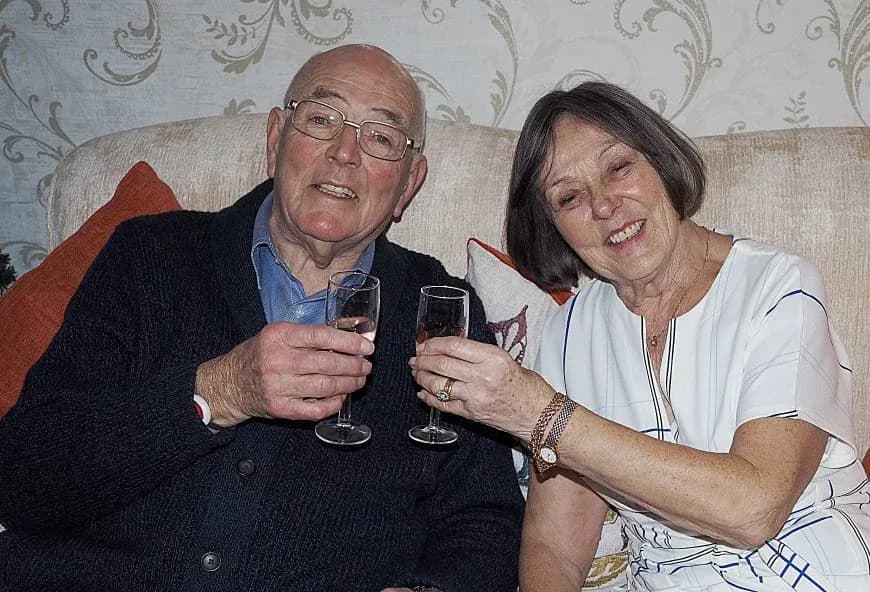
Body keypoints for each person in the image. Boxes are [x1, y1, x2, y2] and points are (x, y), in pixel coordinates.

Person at [0, 44, 523, 592]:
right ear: (276, 140)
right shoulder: (150, 254)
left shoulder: (439, 308)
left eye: (381, 138)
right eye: (322, 119)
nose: (345, 152)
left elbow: (485, 520)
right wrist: (216, 392)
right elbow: (23, 477)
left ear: (408, 184)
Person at [410, 81, 870, 591]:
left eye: (618, 167)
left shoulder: (779, 287)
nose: (604, 205)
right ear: (552, 227)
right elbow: (555, 549)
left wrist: (541, 416)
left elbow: (753, 509)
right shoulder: (568, 334)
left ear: (661, 162)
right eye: (569, 197)